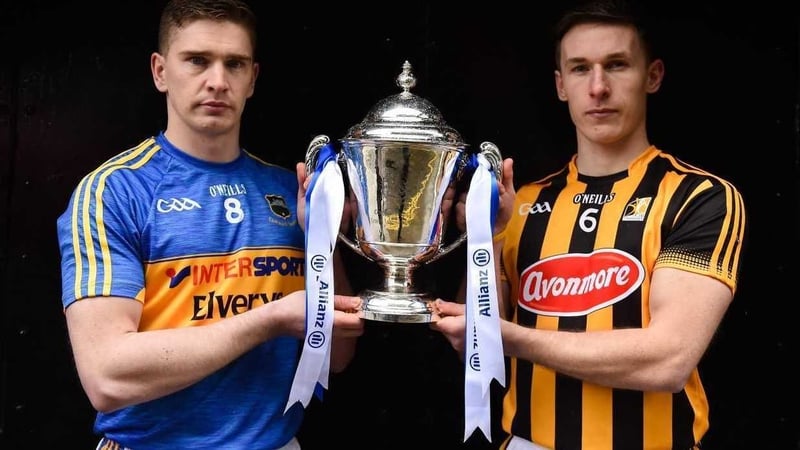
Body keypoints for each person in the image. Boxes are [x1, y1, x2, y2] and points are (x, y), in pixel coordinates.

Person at [432, 0, 748, 449]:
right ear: (561, 86)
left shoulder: (699, 196)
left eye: (616, 65)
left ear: (652, 76)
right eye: (580, 69)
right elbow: (476, 350)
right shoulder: (521, 204)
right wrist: (486, 237)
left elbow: (668, 360)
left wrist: (512, 338)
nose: (597, 87)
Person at [56, 1, 363, 449]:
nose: (218, 81)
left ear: (253, 79)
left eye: (234, 64)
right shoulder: (113, 192)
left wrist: (324, 241)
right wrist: (269, 319)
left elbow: (336, 358)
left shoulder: (289, 192)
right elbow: (107, 377)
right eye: (197, 60)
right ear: (160, 71)